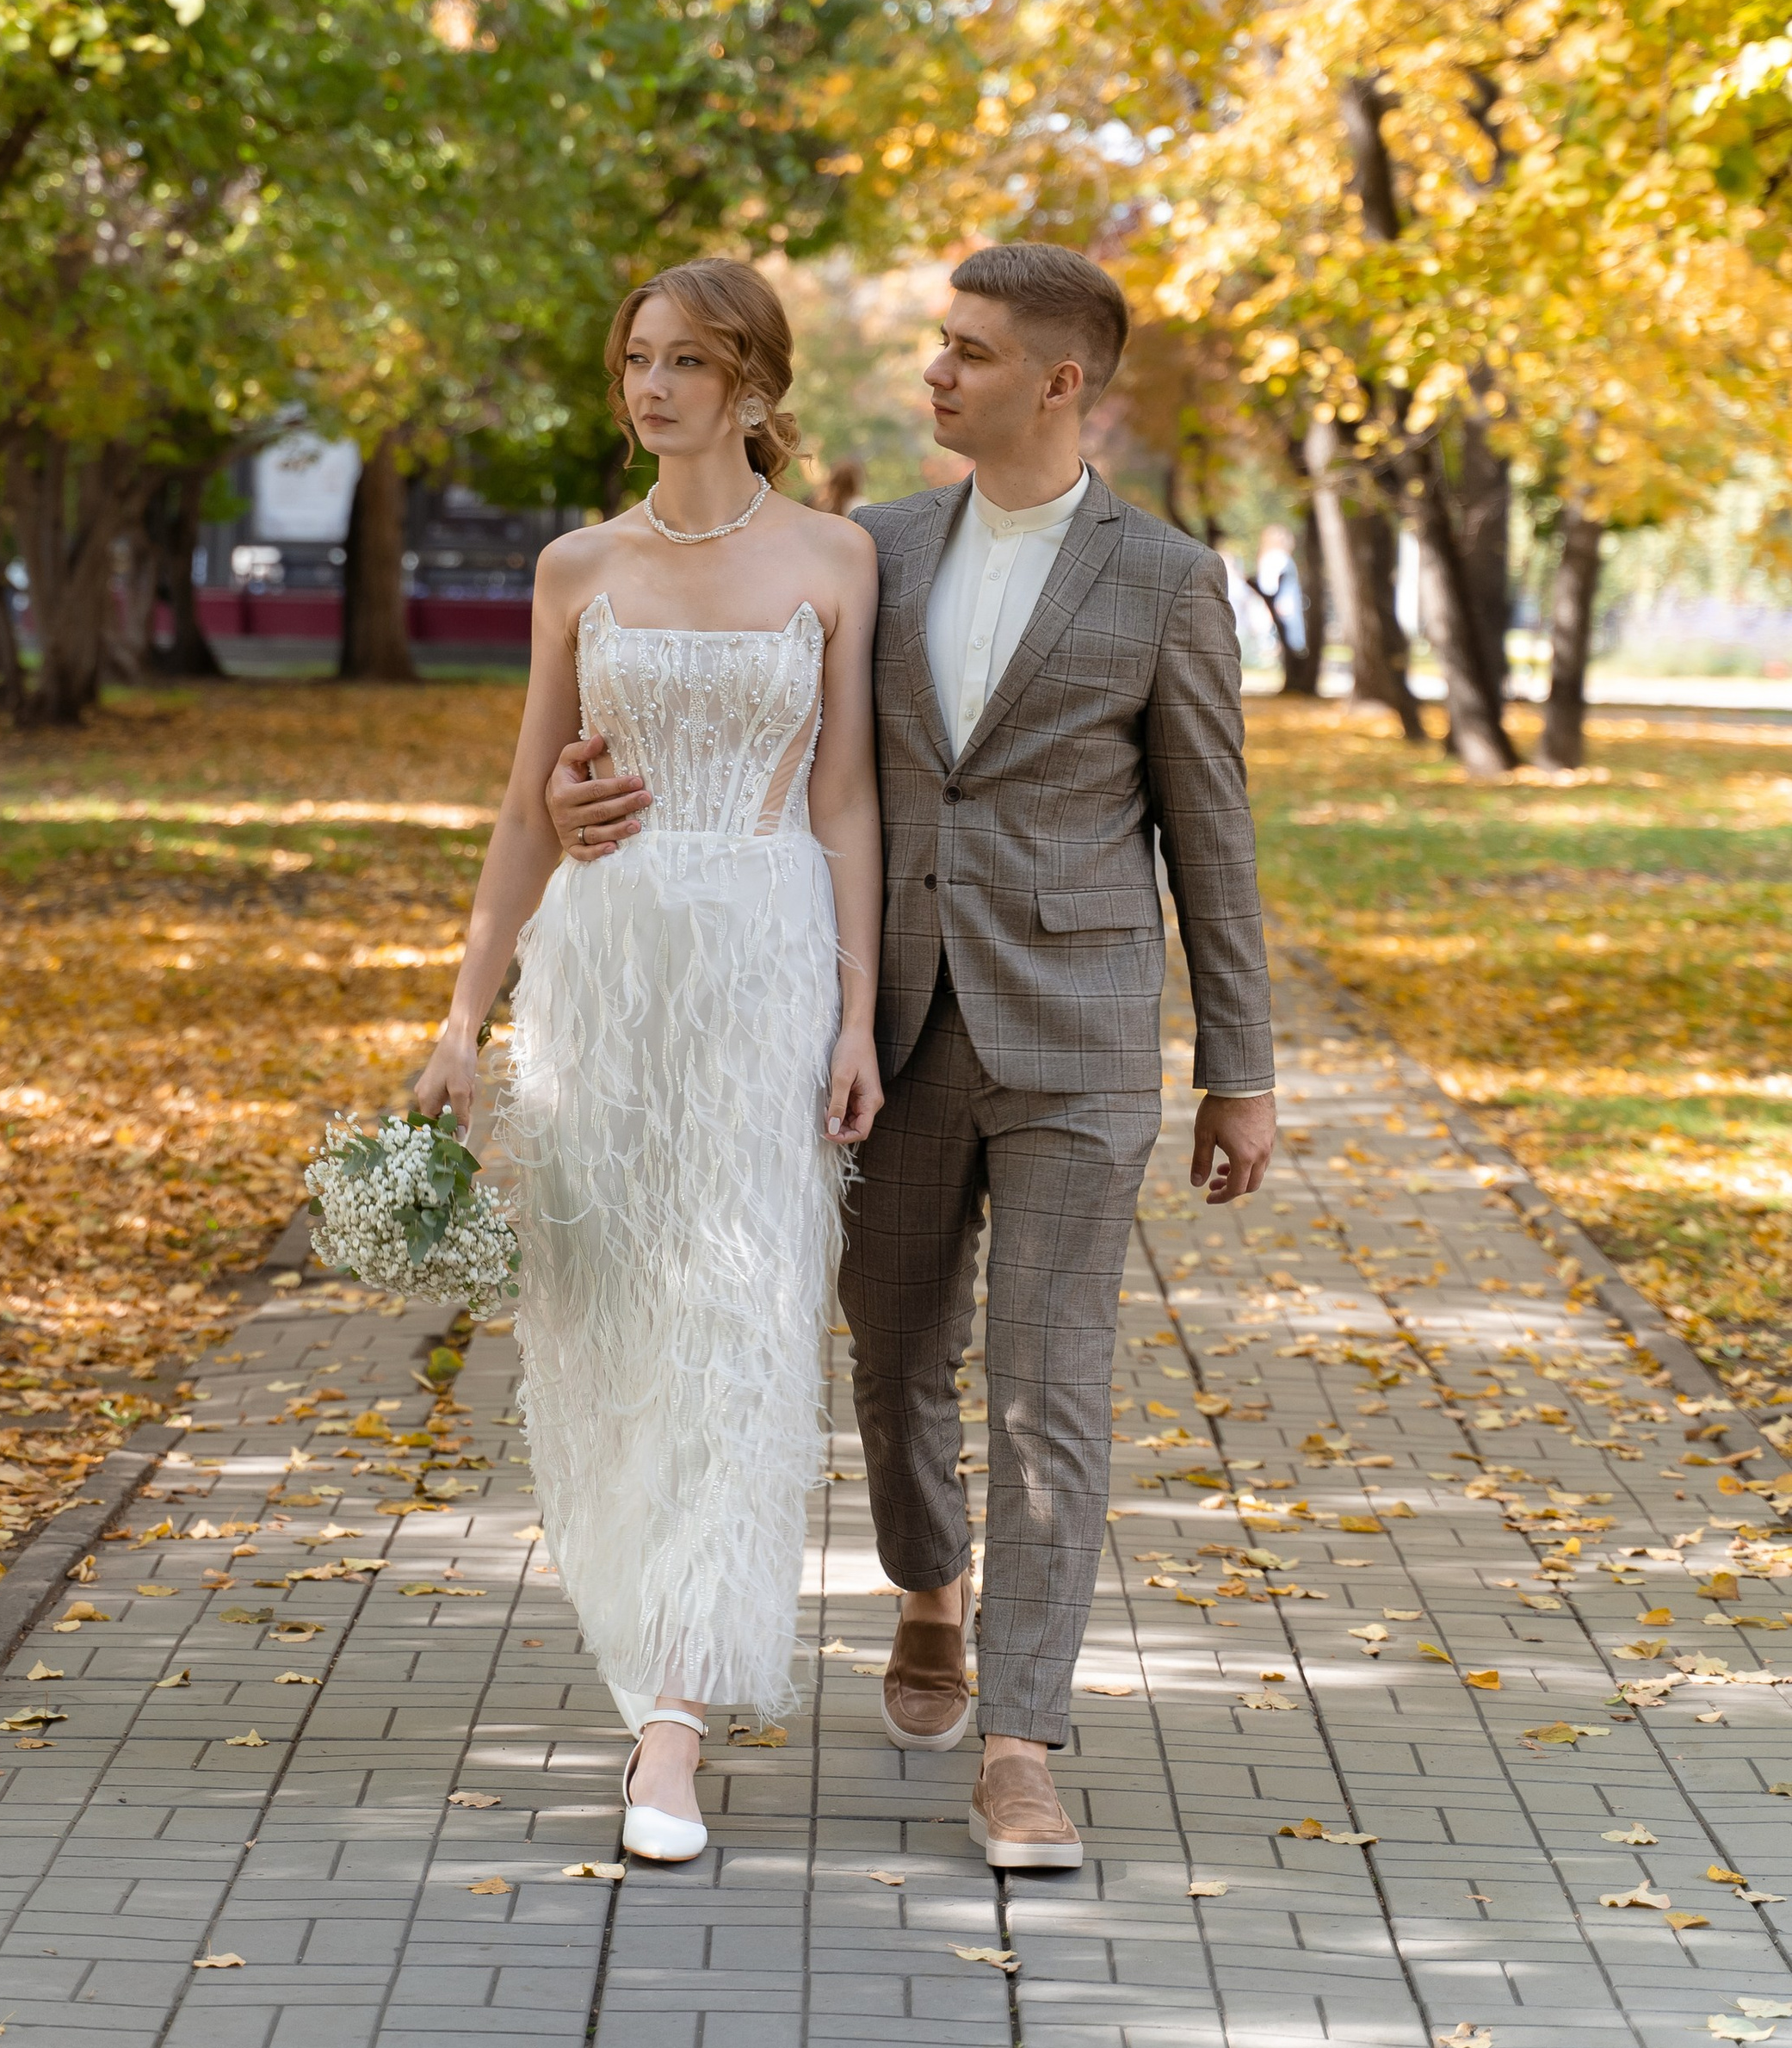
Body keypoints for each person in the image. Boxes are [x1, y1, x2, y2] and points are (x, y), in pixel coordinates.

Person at [548, 242, 1276, 1872]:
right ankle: (930, 1590)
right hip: (886, 1028)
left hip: (1082, 1038)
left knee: (1050, 1386)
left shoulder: (1163, 581)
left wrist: (1246, 1067)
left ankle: (1021, 1745)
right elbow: (780, 758)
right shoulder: (870, 551)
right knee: (891, 1371)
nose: (933, 372)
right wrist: (575, 805)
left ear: (1059, 383)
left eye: (967, 351)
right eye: (938, 343)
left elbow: (1213, 840)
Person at [413, 260, 882, 1865]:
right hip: (606, 976)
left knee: (740, 1320)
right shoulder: (574, 567)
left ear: (754, 381)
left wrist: (859, 1011)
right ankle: (643, 1646)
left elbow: (846, 803)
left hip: (765, 962)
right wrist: (460, 1020)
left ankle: (675, 1725)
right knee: (604, 1316)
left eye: (687, 360)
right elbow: (527, 802)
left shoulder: (834, 558)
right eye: (635, 359)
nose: (652, 386)